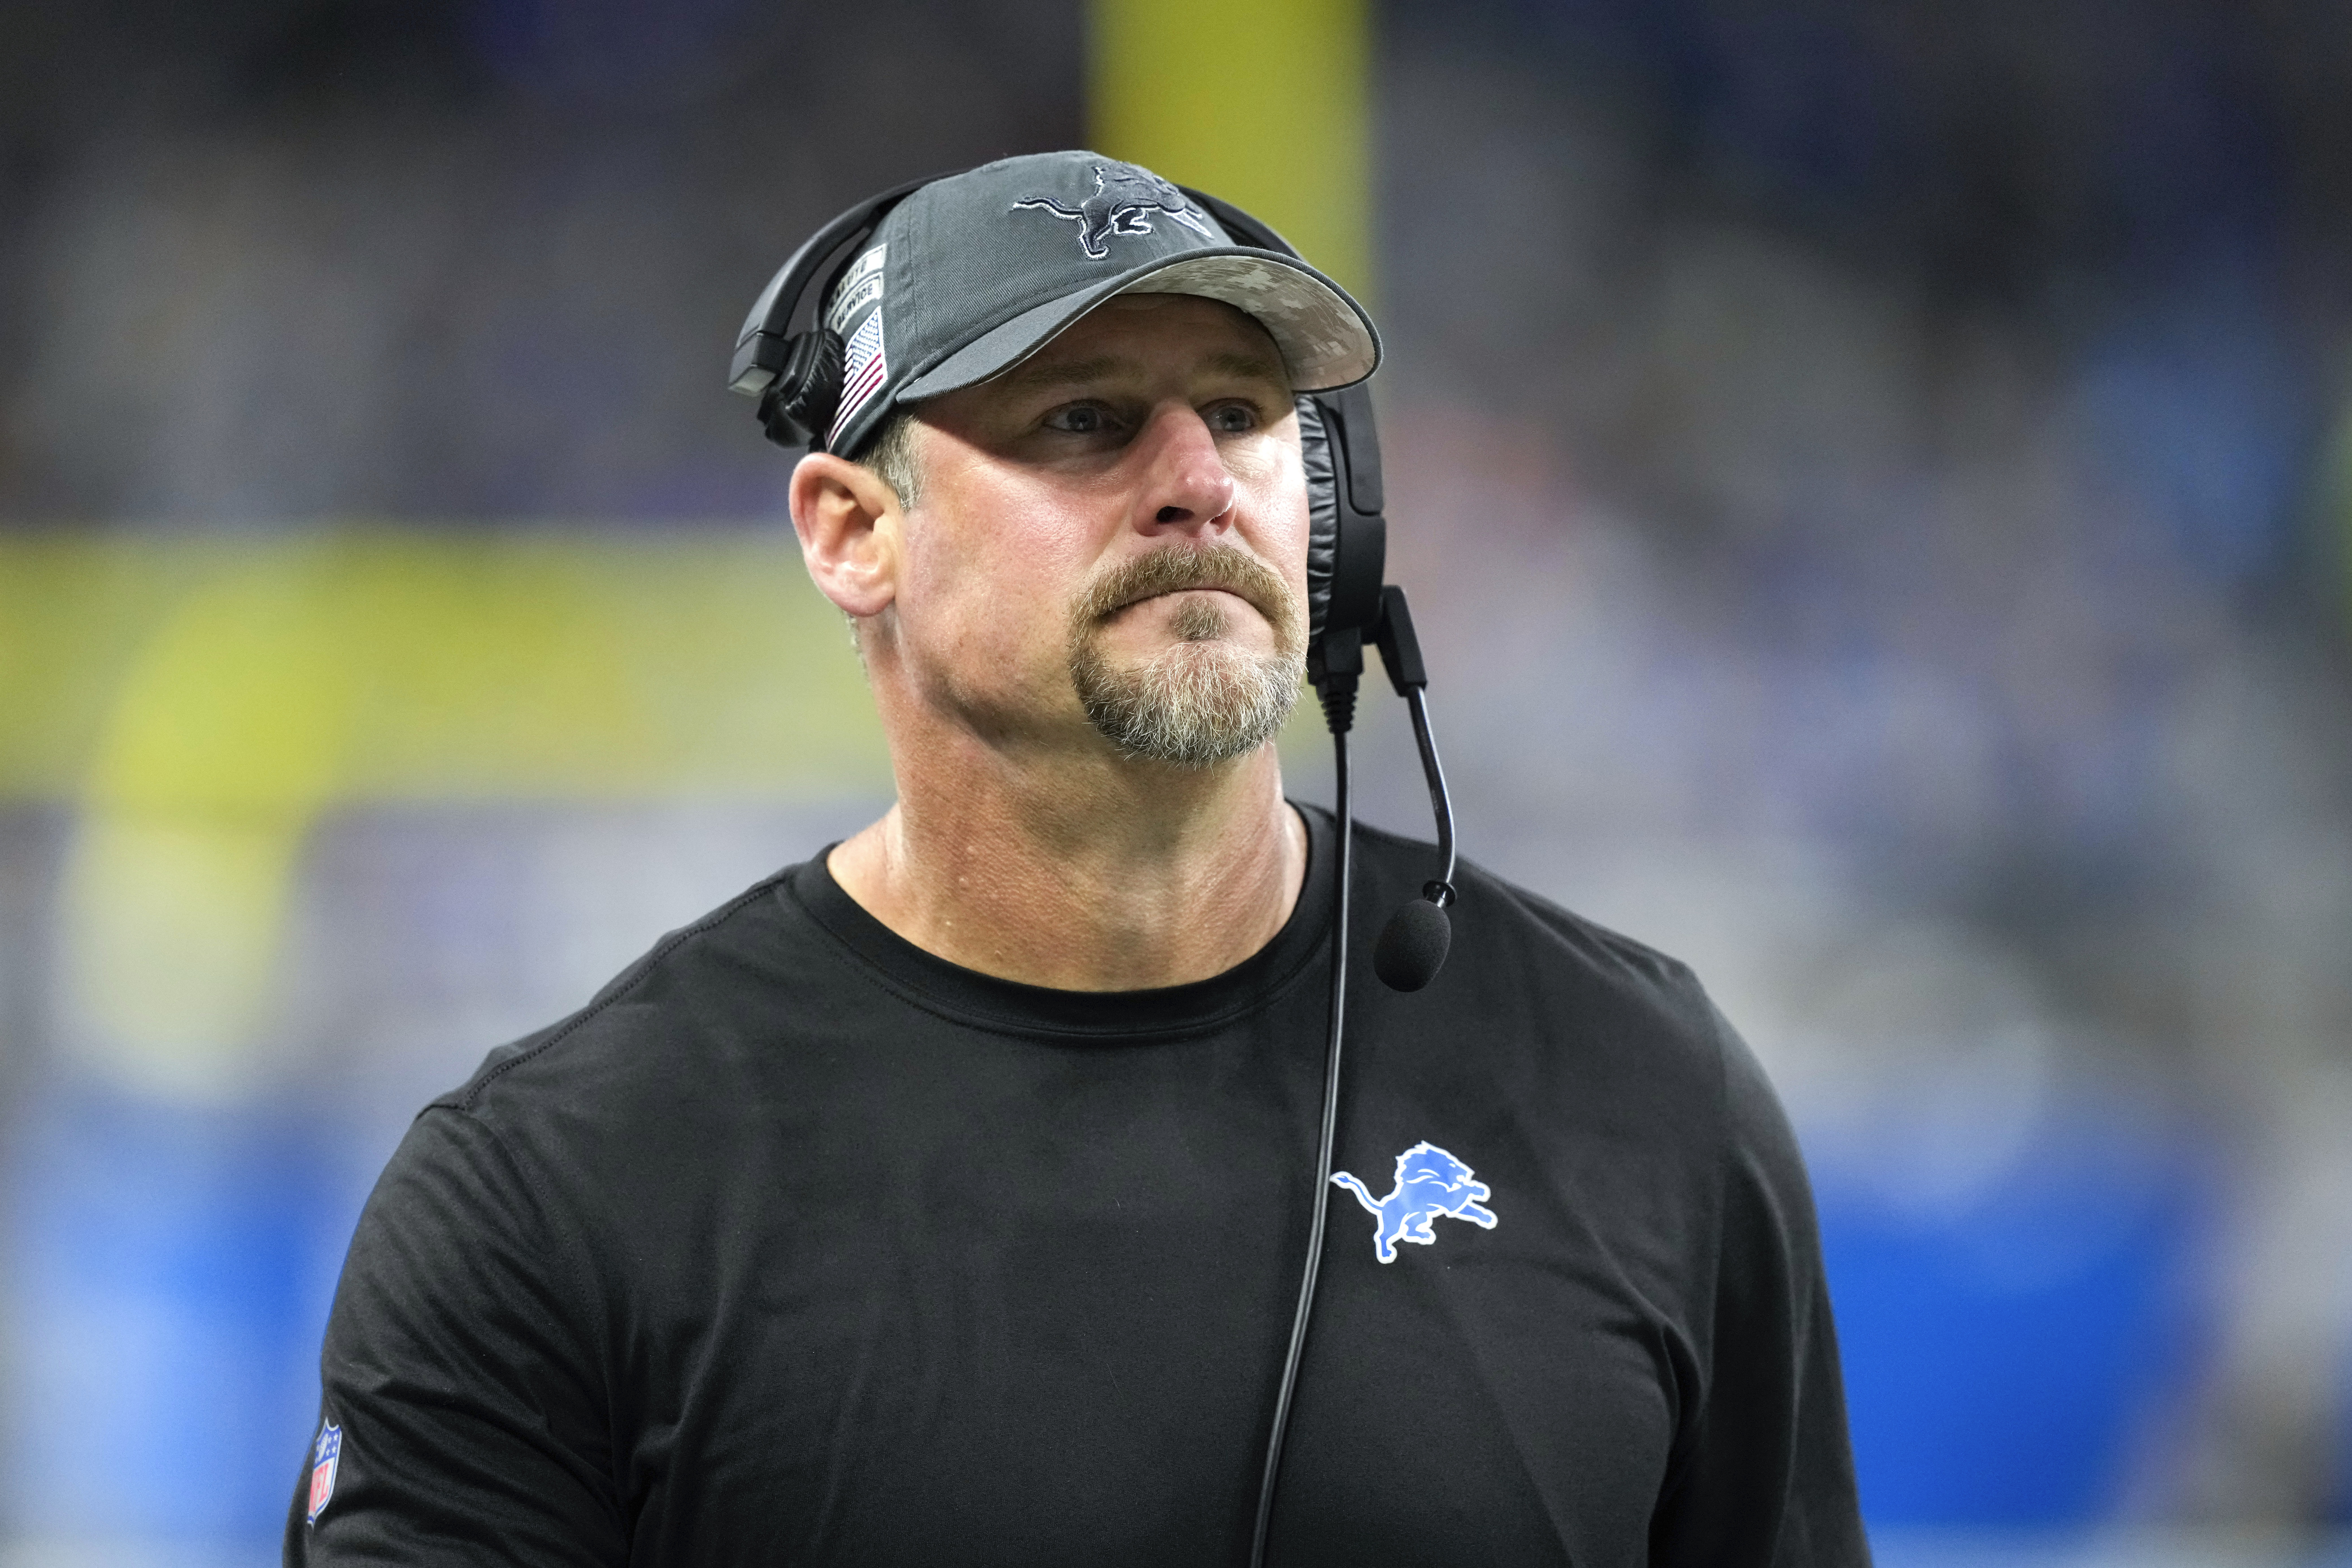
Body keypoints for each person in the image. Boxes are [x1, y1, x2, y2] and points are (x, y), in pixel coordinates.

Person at [286, 151, 1870, 1566]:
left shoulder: (1640, 1087)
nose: (1197, 481)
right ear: (852, 532)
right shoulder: (557, 1193)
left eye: (1244, 416)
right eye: (1084, 420)